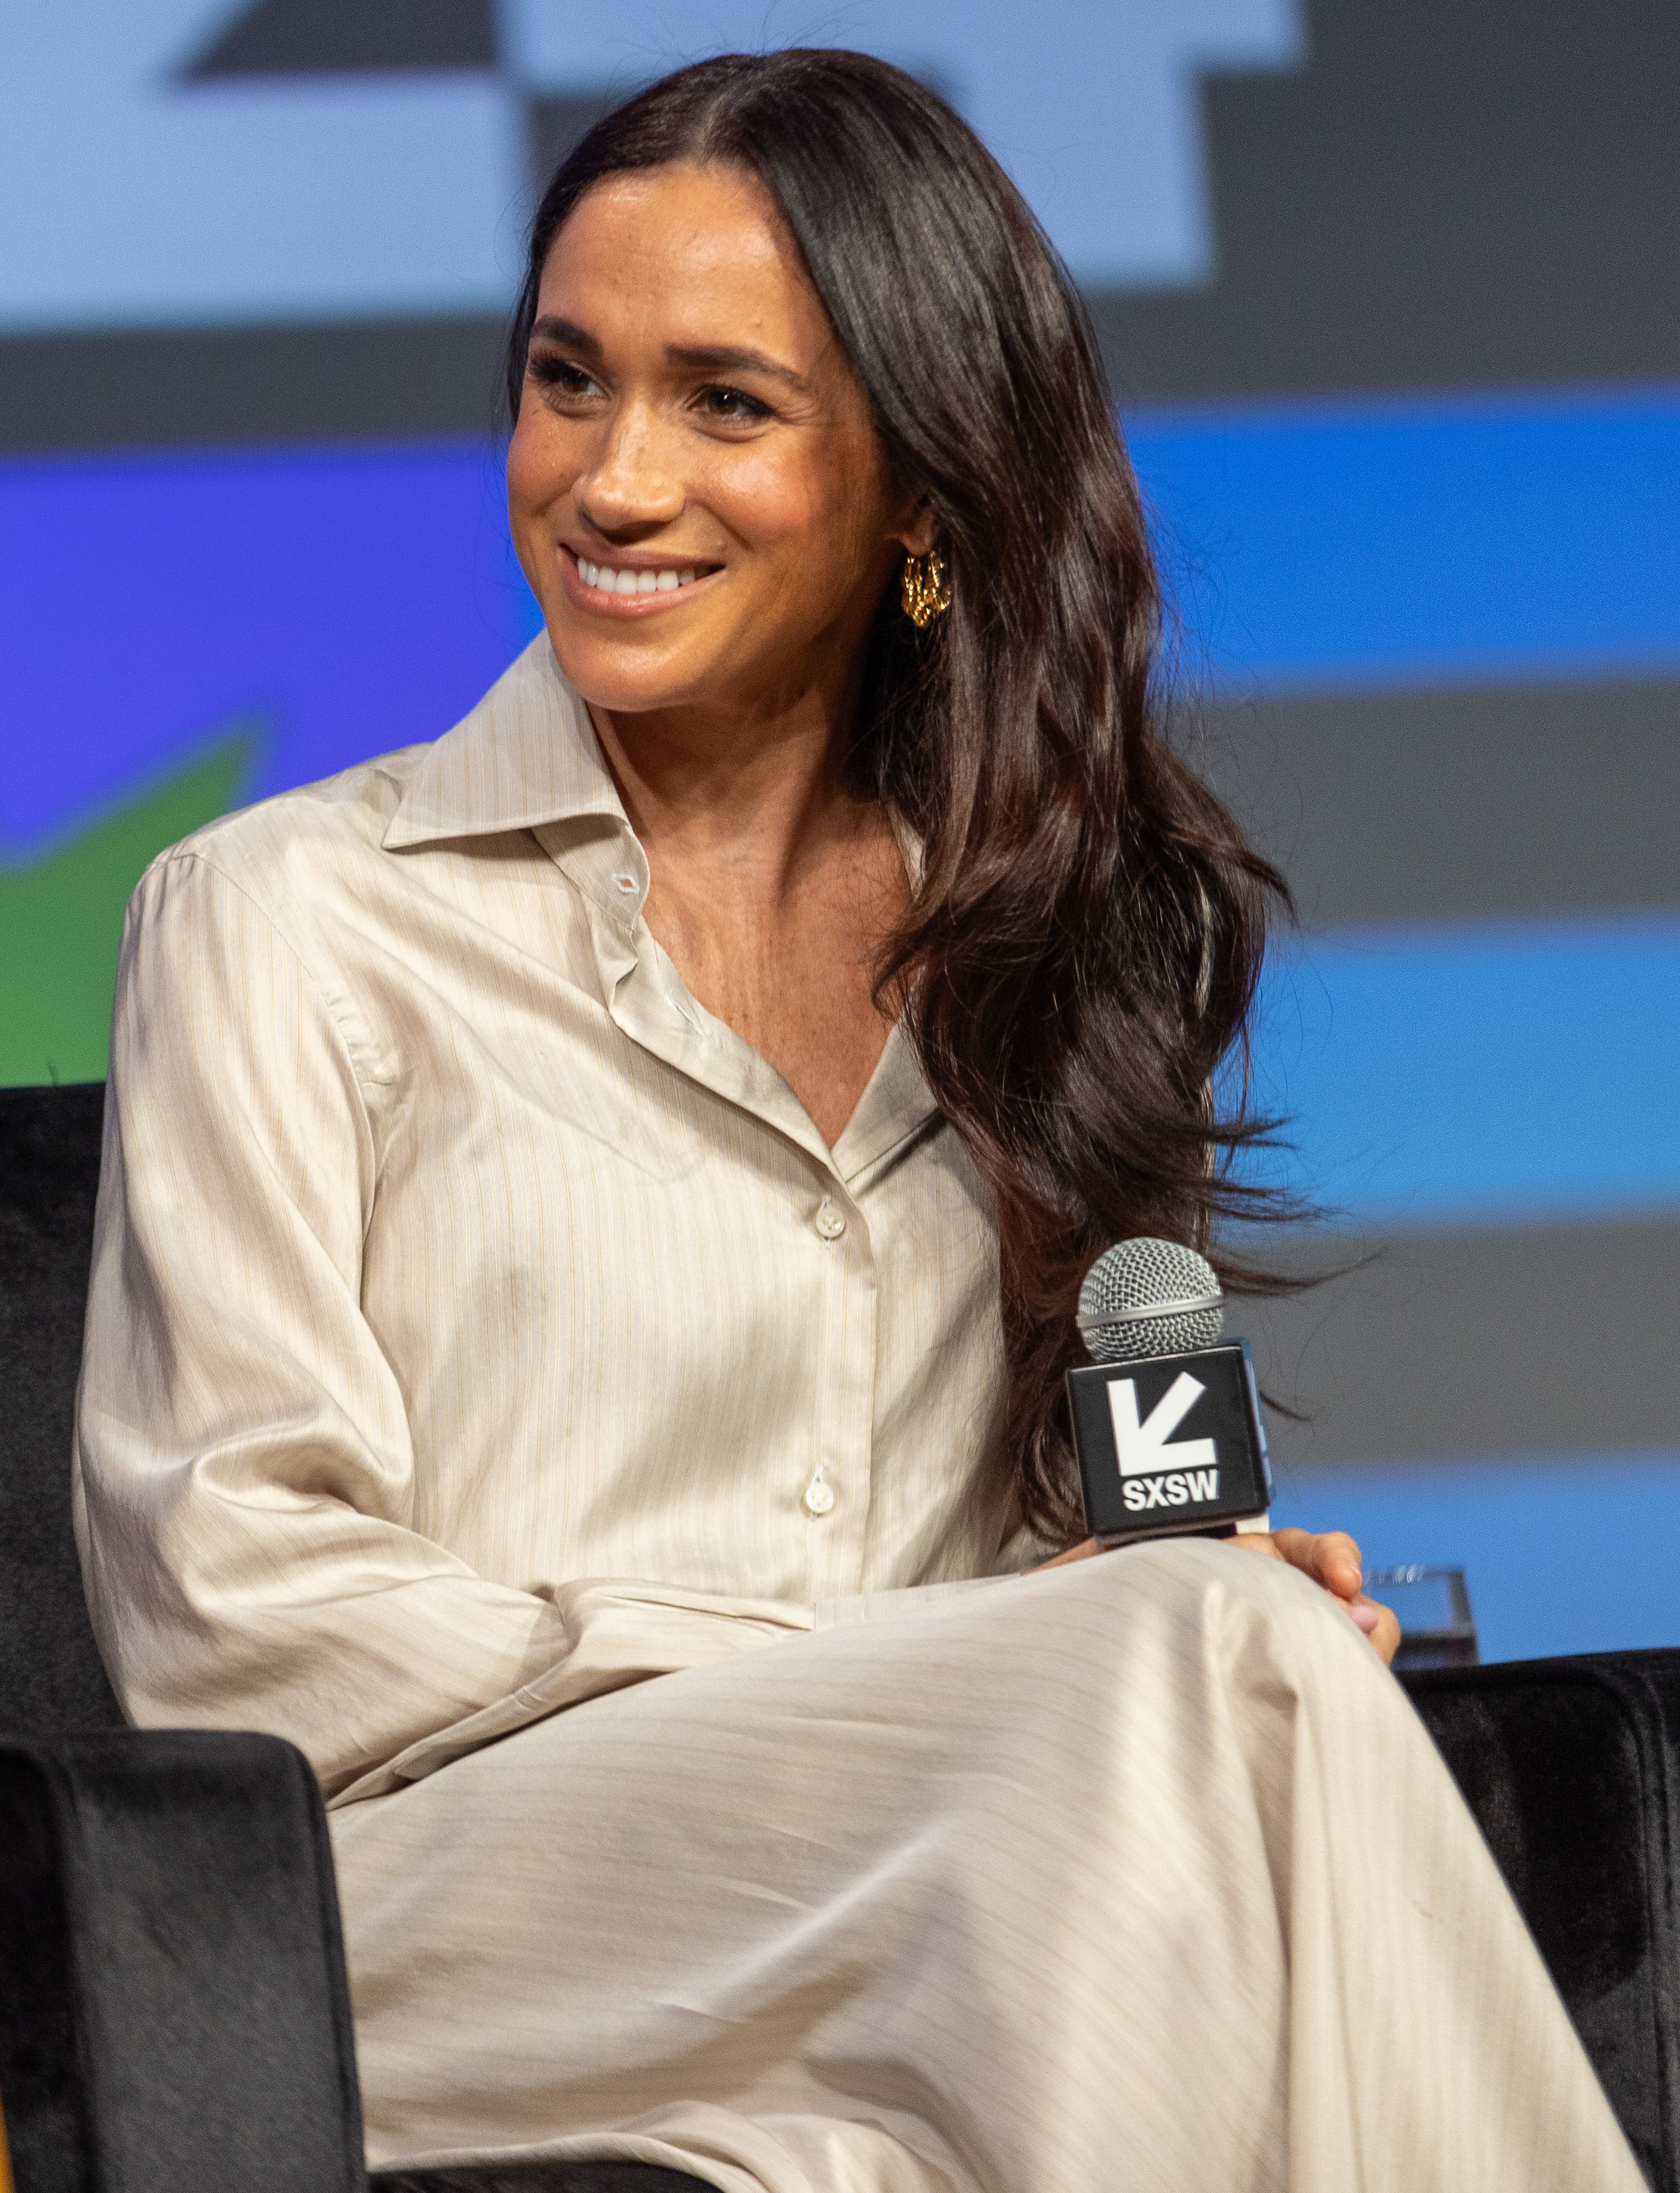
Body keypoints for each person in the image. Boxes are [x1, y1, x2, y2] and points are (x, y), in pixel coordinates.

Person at [73, 48, 1641, 2193]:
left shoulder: (1051, 954)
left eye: (728, 403)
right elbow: (235, 1615)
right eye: (567, 379)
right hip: (420, 1925)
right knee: (1193, 1680)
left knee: (1204, 1710)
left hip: (956, 1894)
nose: (613, 483)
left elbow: (1050, 1584)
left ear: (920, 495)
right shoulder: (286, 921)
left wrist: (1114, 1607)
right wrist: (960, 1669)